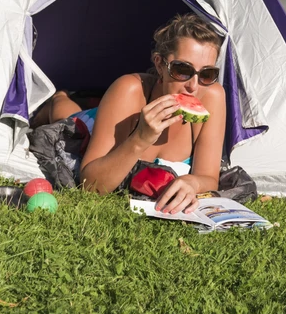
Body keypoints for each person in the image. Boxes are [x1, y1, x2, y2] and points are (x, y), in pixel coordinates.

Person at [33, 13, 227, 214]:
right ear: (160, 64)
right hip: (91, 128)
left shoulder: (213, 96)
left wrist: (193, 183)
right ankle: (58, 98)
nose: (193, 86)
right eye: (182, 70)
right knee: (65, 117)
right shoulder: (129, 89)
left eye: (207, 74)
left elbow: (208, 177)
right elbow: (90, 186)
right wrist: (140, 139)